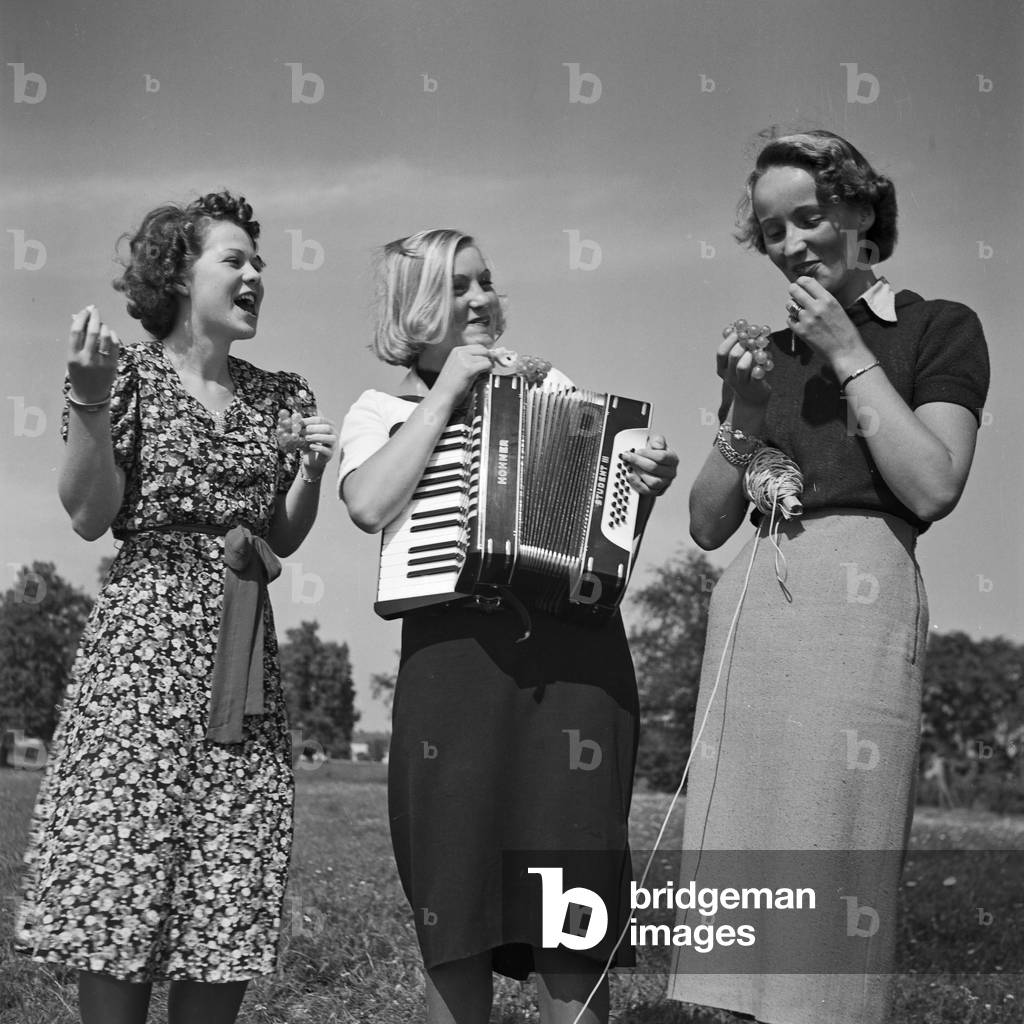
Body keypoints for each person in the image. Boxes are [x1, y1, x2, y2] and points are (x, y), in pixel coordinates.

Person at [665, 131, 989, 1024]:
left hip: (859, 608)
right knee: (736, 877)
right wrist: (744, 406)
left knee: (836, 852)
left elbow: (935, 483)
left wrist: (848, 351)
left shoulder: (940, 326)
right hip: (754, 606)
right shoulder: (766, 354)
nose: (791, 244)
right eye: (772, 230)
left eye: (809, 217)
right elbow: (706, 523)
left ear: (861, 209)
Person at [337, 229, 678, 1024]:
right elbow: (369, 504)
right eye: (456, 286)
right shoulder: (379, 411)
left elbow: (599, 536)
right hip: (454, 670)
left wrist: (642, 481)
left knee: (569, 913)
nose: (481, 298)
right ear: (412, 309)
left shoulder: (551, 387)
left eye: (485, 281)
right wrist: (449, 393)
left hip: (573, 665)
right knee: (455, 914)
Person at [15, 191, 338, 1024]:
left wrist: (308, 475)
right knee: (123, 870)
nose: (255, 275)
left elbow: (282, 535)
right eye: (235, 260)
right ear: (179, 275)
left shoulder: (282, 396)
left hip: (241, 652)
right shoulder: (125, 375)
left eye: (259, 263)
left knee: (227, 872)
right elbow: (89, 514)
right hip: (143, 657)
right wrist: (88, 399)